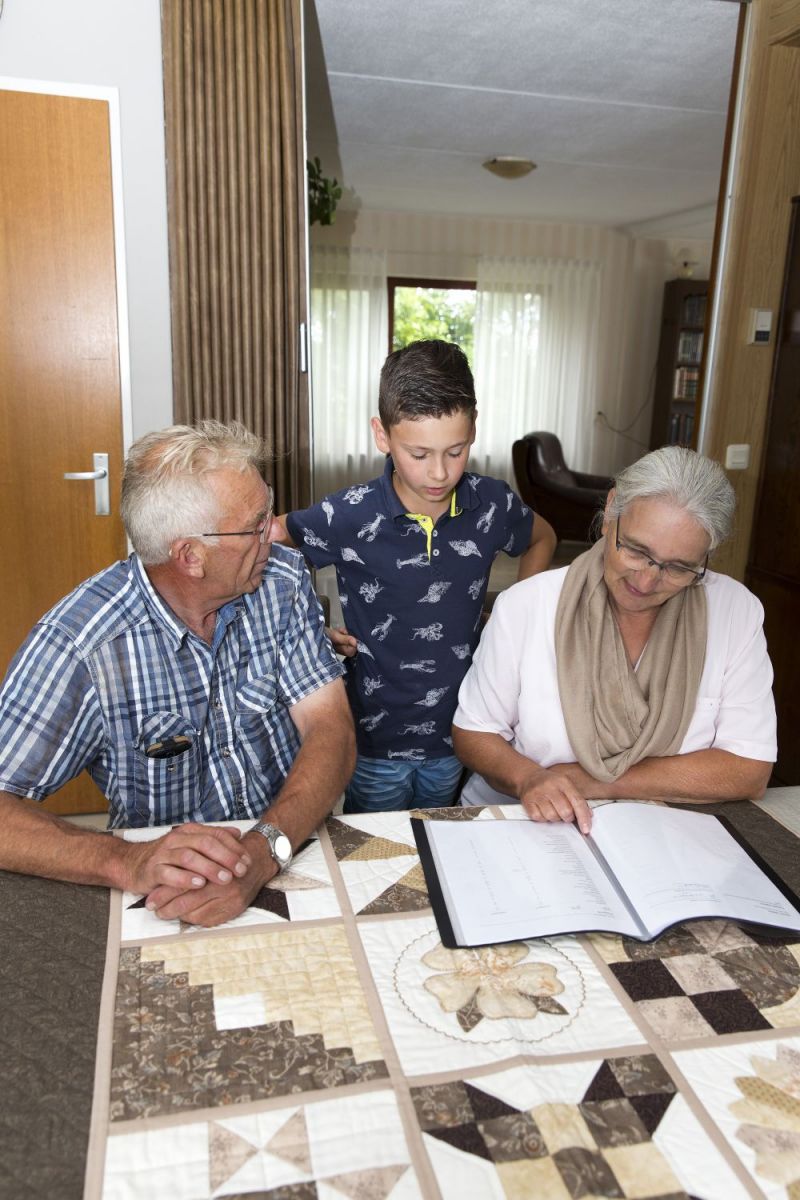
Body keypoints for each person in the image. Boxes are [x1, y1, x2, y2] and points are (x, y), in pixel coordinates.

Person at [0, 421, 355, 926]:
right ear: (190, 556)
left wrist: (265, 847)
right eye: (255, 524)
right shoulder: (84, 643)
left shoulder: (282, 578)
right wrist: (126, 860)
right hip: (170, 893)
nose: (272, 531)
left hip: (292, 841)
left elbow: (331, 728)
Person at [272, 339, 557, 813]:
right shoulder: (348, 513)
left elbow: (542, 538)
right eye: (419, 454)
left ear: (473, 431)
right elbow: (270, 540)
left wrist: (512, 616)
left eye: (456, 450)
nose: (440, 472)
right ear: (382, 436)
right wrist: (306, 632)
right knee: (375, 854)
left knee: (442, 843)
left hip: (462, 734)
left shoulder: (493, 503)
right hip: (374, 741)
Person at [453, 445, 776, 831]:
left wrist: (588, 781)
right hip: (525, 824)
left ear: (706, 555)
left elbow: (749, 769)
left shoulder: (735, 612)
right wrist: (528, 778)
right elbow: (474, 733)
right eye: (637, 550)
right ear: (610, 513)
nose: (646, 580)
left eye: (678, 567)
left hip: (662, 833)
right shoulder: (527, 605)